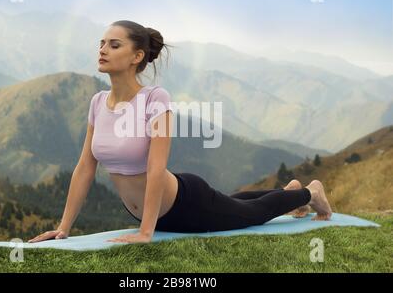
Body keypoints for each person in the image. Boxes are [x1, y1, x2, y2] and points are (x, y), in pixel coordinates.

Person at [28, 20, 332, 244]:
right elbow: (84, 168)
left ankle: (310, 192)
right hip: (156, 211)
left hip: (186, 204)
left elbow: (156, 167)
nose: (103, 50)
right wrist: (63, 228)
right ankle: (290, 192)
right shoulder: (97, 102)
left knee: (250, 215)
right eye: (102, 44)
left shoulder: (154, 99)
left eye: (114, 45)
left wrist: (146, 232)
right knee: (235, 203)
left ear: (137, 57)